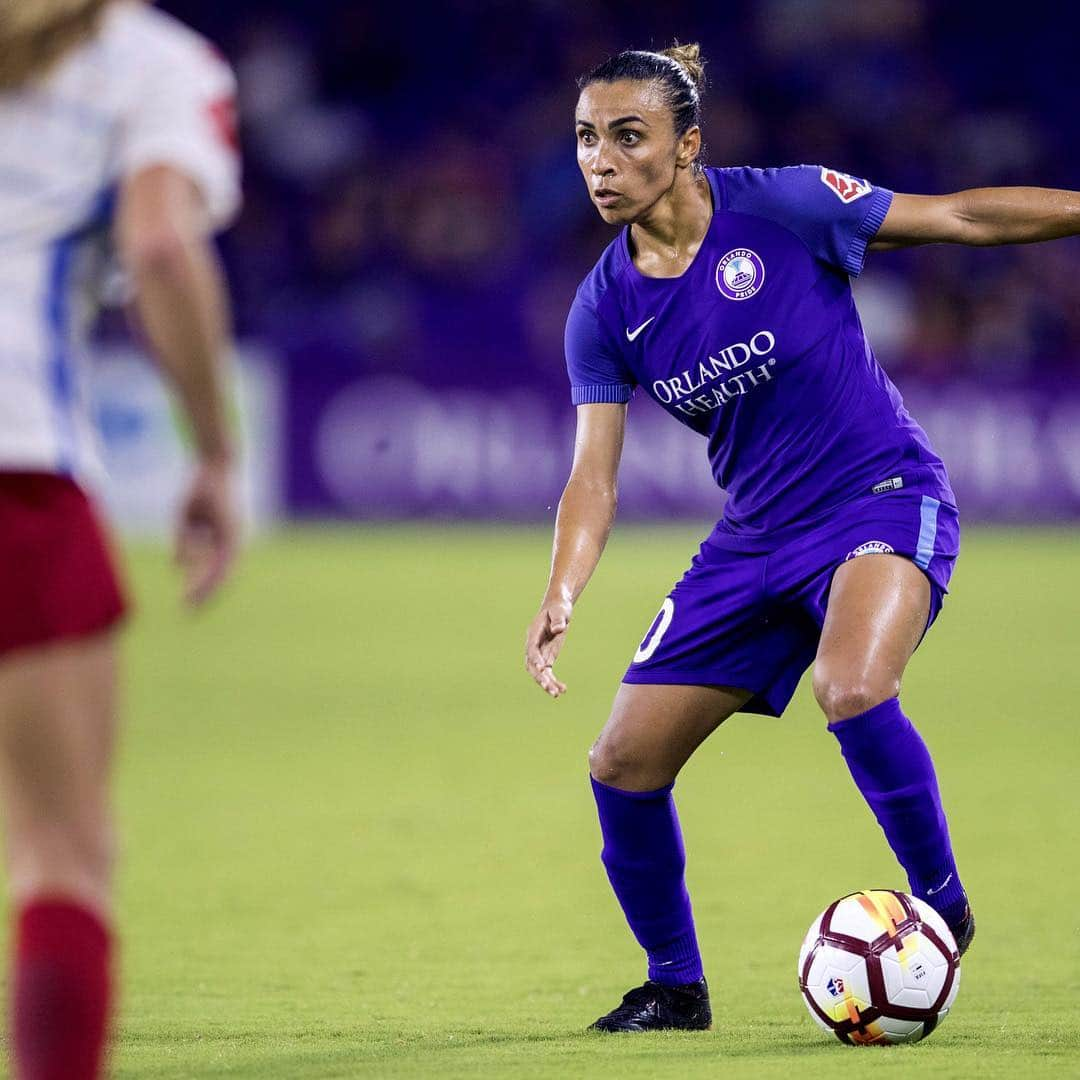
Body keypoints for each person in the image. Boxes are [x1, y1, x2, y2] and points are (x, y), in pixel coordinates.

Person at [524, 42, 1080, 1034]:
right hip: (753, 538)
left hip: (879, 495)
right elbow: (592, 476)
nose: (600, 161)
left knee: (853, 686)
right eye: (584, 140)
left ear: (687, 147)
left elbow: (955, 218)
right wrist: (563, 590)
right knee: (622, 763)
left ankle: (941, 910)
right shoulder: (603, 307)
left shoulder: (784, 206)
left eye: (627, 136)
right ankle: (675, 987)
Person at [0, 1, 241, 1075]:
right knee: (62, 850)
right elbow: (158, 240)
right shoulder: (149, 63)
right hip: (20, 470)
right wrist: (216, 454)